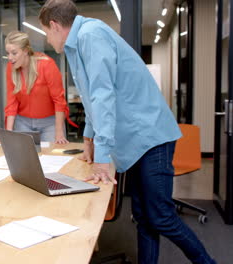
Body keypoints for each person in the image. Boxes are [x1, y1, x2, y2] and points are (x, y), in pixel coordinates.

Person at [39, 1, 216, 263]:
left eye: (45, 31)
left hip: (150, 136)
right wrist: (89, 139)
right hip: (137, 138)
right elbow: (90, 99)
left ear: (54, 25)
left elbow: (103, 96)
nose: (46, 37)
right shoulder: (76, 45)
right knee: (144, 217)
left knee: (161, 216)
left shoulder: (91, 35)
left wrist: (102, 156)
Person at [4, 31, 69, 144]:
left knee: (51, 157)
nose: (10, 57)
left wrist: (59, 132)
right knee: (23, 157)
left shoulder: (47, 65)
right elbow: (12, 102)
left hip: (49, 122)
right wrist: (8, 132)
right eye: (8, 53)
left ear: (25, 51)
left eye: (14, 53)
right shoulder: (11, 67)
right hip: (23, 122)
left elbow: (59, 101)